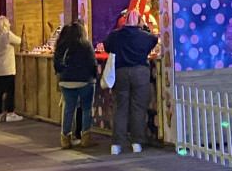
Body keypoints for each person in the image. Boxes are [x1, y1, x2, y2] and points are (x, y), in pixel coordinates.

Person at [103, 10, 157, 155]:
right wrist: (145, 26)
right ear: (140, 21)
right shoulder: (145, 37)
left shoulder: (115, 35)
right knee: (138, 109)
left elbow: (107, 47)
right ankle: (136, 143)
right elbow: (154, 39)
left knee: (120, 108)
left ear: (125, 20)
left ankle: (116, 145)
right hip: (140, 73)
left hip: (120, 73)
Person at [54, 20, 99, 149]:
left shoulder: (62, 45)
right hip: (85, 80)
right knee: (86, 109)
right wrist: (94, 76)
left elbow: (57, 65)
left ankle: (65, 139)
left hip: (66, 81)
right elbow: (92, 63)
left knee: (68, 109)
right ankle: (85, 138)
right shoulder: (86, 44)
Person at [0, 15, 22, 123]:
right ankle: (10, 113)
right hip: (6, 68)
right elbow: (19, 41)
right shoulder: (7, 35)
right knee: (10, 91)